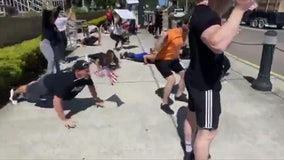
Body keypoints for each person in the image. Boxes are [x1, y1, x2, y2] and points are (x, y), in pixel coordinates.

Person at [183, 0, 257, 159]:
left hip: (195, 77)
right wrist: (240, 8)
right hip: (206, 84)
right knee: (208, 133)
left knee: (191, 116)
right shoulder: (206, 15)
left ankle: (189, 152)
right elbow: (217, 43)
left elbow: (217, 44)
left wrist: (228, 29)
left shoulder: (199, 12)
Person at [9, 60, 104, 128]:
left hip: (54, 84)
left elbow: (92, 88)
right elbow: (56, 101)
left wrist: (96, 99)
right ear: (78, 72)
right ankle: (15, 91)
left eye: (88, 70)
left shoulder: (86, 78)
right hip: (46, 85)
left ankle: (34, 83)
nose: (89, 72)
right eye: (86, 71)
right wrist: (64, 119)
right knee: (28, 91)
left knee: (49, 95)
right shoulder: (67, 82)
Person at [154, 19, 189, 115]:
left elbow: (181, 45)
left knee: (185, 74)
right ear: (183, 24)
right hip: (162, 60)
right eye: (190, 24)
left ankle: (179, 95)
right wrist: (162, 37)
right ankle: (164, 103)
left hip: (173, 59)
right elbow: (156, 48)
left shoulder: (185, 32)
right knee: (172, 80)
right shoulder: (171, 33)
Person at [40, 9, 63, 75]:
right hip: (45, 44)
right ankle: (49, 75)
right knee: (51, 60)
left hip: (51, 44)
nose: (53, 18)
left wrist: (58, 9)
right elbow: (46, 15)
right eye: (51, 16)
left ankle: (55, 73)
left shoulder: (52, 25)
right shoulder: (46, 25)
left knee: (54, 59)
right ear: (48, 18)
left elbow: (55, 16)